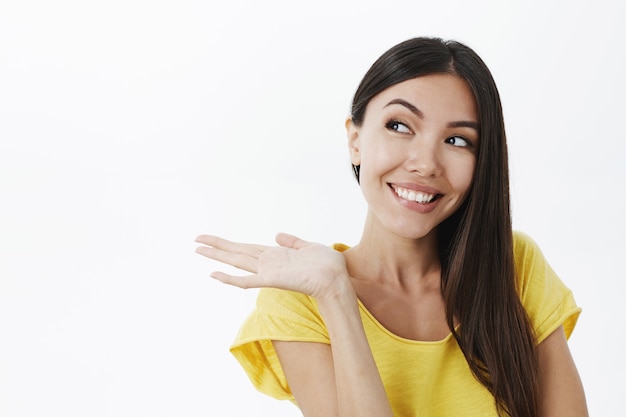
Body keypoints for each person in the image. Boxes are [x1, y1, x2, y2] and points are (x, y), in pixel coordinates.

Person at [195, 37, 588, 417]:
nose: (426, 163)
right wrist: (337, 295)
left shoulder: (515, 266)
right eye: (399, 126)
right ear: (355, 140)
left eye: (457, 139)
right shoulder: (301, 298)